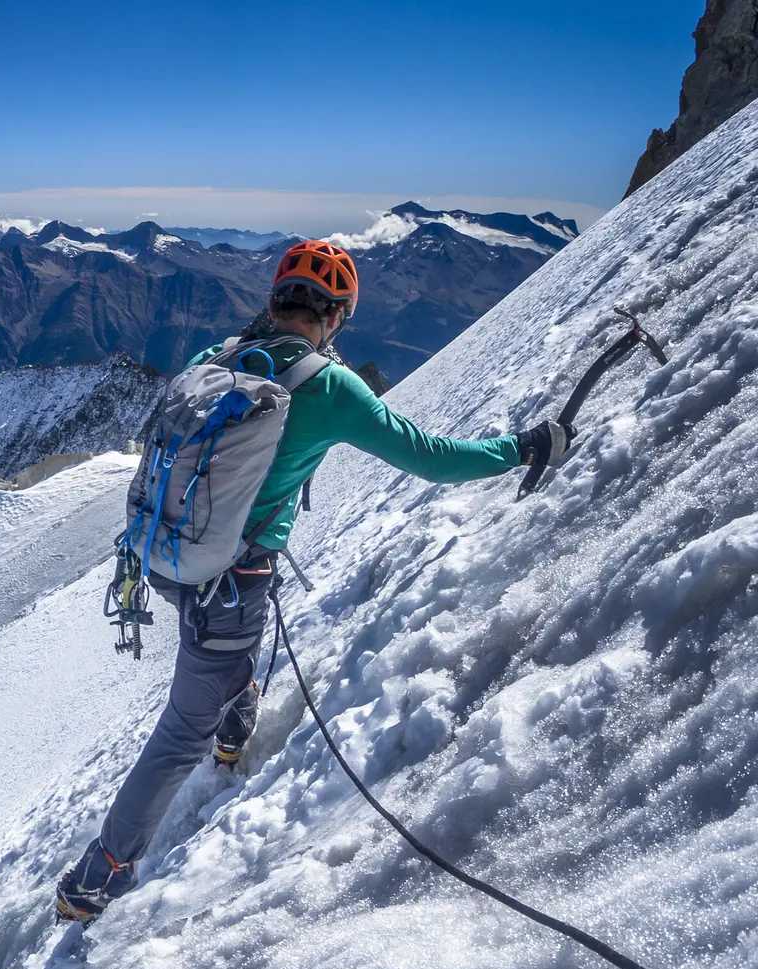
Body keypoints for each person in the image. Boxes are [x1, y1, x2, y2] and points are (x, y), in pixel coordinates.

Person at [55, 240, 572, 922]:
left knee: (223, 662)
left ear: (275, 300)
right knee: (182, 730)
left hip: (171, 561)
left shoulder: (217, 356)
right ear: (337, 316)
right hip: (234, 578)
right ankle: (98, 875)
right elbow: (435, 460)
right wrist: (524, 447)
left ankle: (234, 727)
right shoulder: (328, 387)